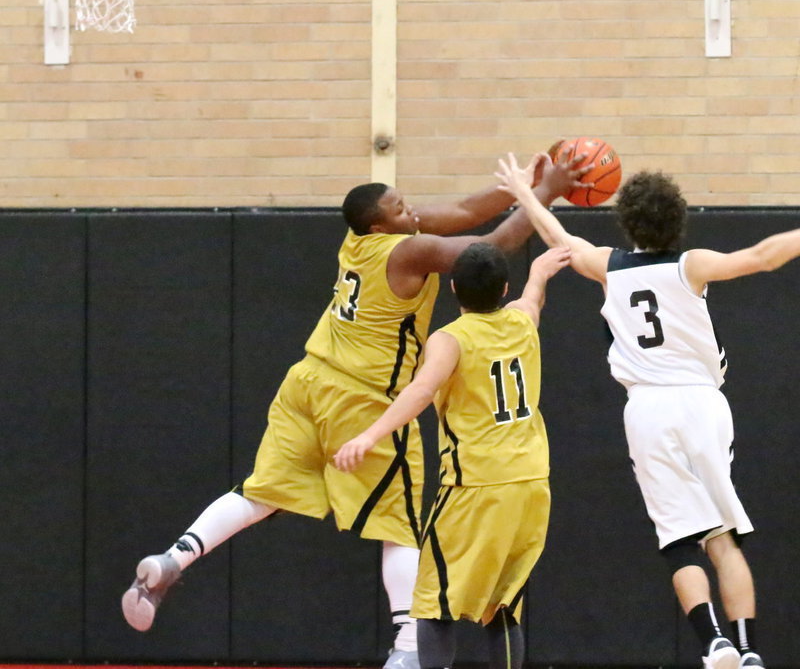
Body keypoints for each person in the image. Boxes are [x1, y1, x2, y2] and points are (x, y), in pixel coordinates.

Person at [121, 154, 588, 669]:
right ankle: (409, 651)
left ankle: (174, 558)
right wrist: (546, 194)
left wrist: (524, 186)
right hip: (365, 397)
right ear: (379, 224)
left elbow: (459, 208)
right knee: (402, 525)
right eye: (398, 206)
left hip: (308, 381)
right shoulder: (409, 253)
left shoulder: (364, 238)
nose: (410, 208)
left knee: (261, 491)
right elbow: (485, 248)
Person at [496, 153, 800, 669]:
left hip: (650, 410)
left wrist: (525, 192)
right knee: (722, 535)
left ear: (627, 221)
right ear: (678, 219)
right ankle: (747, 651)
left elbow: (559, 241)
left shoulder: (609, 267)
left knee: (680, 538)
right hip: (704, 403)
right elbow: (764, 255)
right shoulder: (692, 265)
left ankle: (714, 644)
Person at [334, 241, 570, 669]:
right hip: (532, 483)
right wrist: (540, 272)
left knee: (433, 602)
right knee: (500, 605)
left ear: (453, 287)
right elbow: (532, 298)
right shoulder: (522, 322)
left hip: (475, 484)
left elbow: (422, 390)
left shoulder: (451, 338)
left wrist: (369, 435)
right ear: (503, 290)